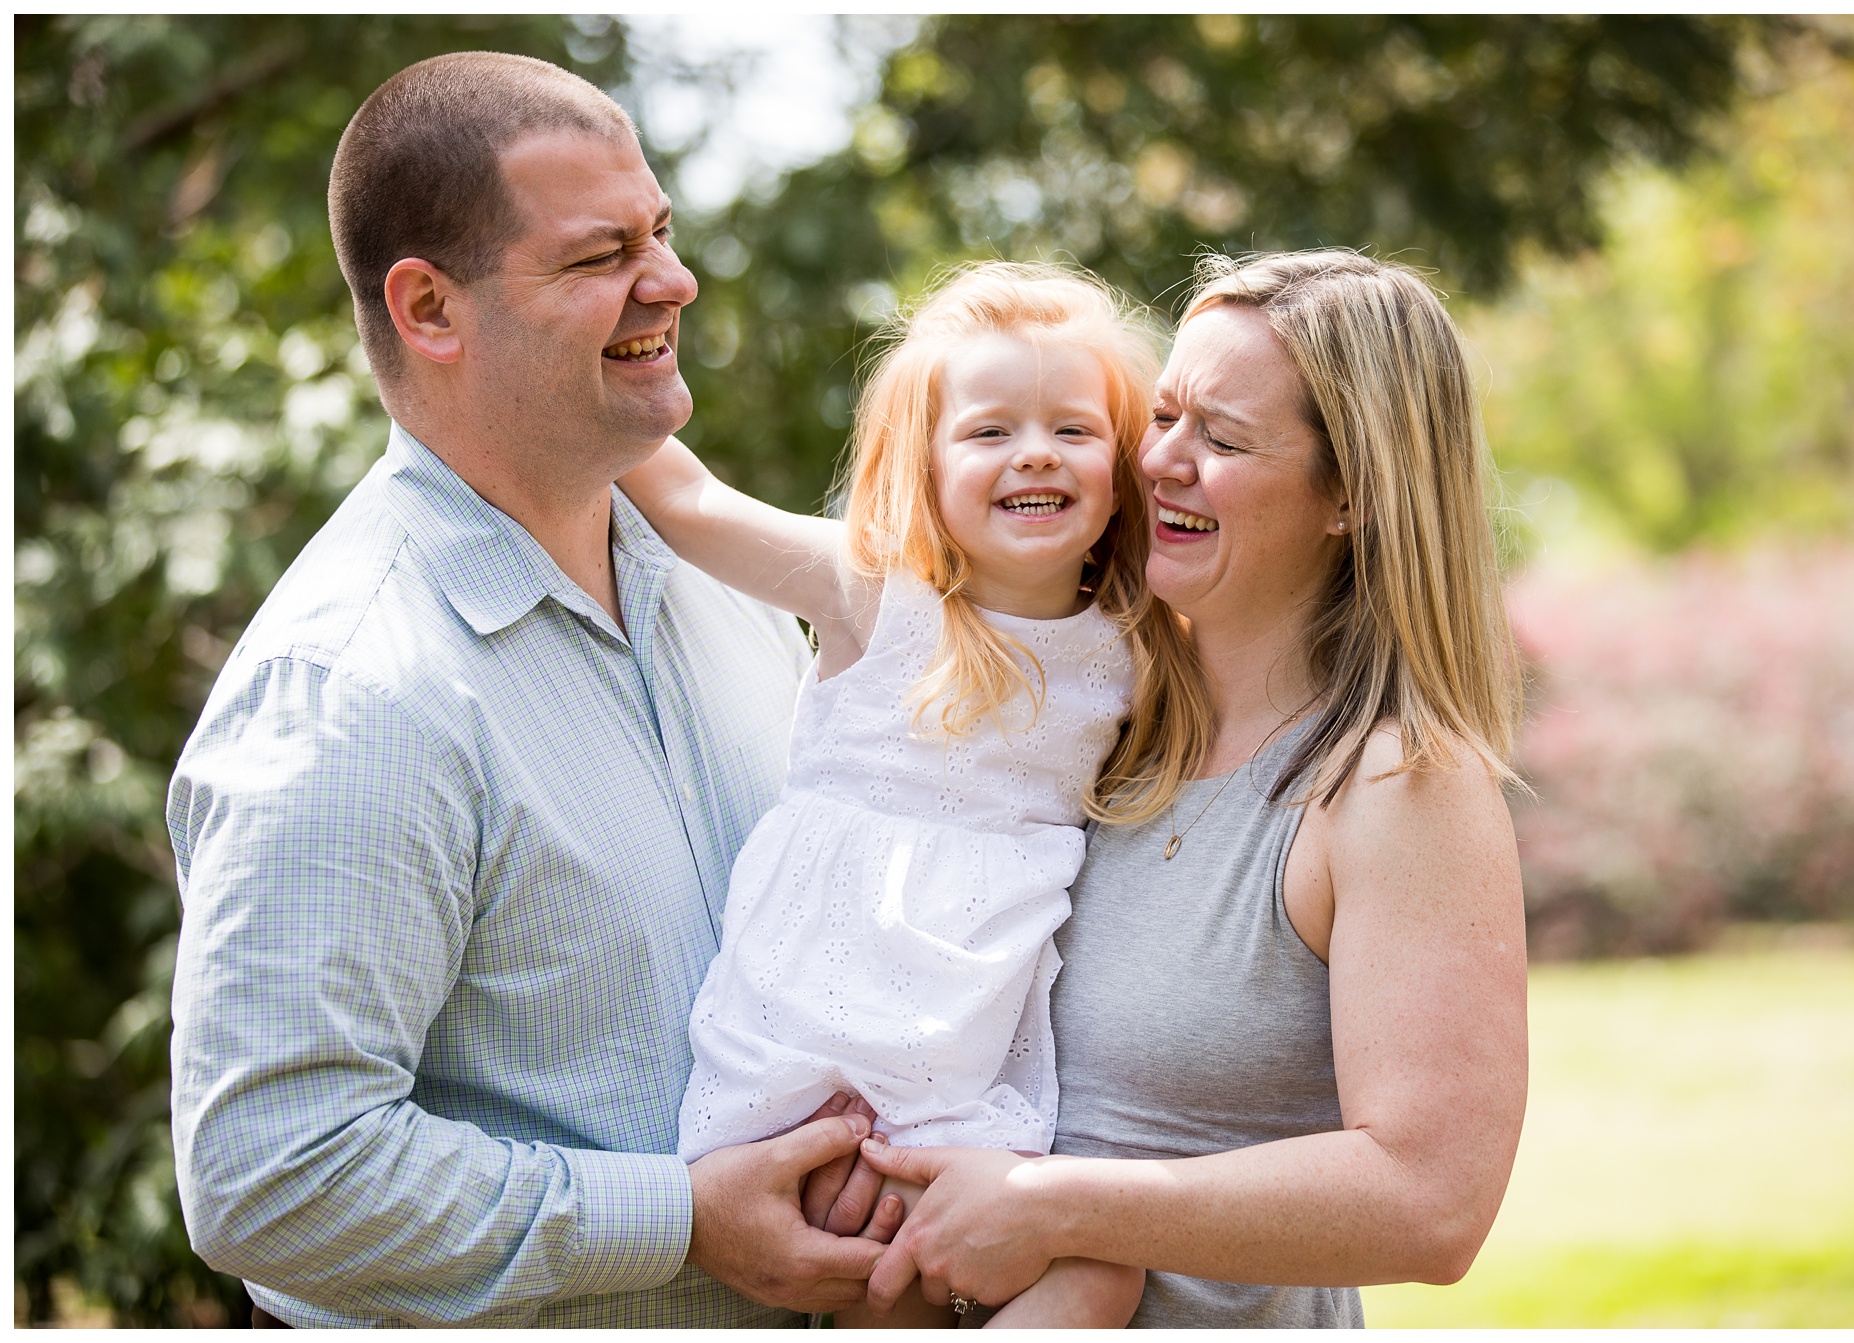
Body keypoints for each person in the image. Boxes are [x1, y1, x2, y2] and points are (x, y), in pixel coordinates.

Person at [165, 52, 896, 1327]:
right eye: (597, 255)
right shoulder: (354, 689)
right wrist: (683, 1218)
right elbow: (271, 1174)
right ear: (429, 309)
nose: (671, 281)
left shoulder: (724, 584)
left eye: (659, 230)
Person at [854, 249, 1532, 1327]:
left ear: (1350, 492)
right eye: (1161, 415)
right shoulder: (1081, 720)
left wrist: (1051, 1206)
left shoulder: (1392, 784)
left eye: (1219, 437)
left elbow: (1430, 1200)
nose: (1162, 459)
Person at [615, 262, 1208, 1327]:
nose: (1033, 450)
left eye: (1072, 430)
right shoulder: (871, 593)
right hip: (807, 1046)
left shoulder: (1132, 649)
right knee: (897, 1273)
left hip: (961, 1049)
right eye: (987, 431)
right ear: (921, 466)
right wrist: (599, 367)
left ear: (1121, 471)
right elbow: (691, 502)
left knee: (1089, 1268)